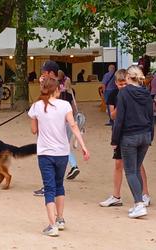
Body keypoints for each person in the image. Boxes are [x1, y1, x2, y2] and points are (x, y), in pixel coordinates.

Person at [28, 76, 89, 236]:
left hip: (45, 152)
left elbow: (34, 130)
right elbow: (73, 125)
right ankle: (60, 218)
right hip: (62, 152)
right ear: (57, 90)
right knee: (59, 185)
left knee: (49, 187)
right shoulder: (65, 105)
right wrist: (83, 146)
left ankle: (52, 224)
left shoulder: (36, 106)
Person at [100, 69, 151, 207]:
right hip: (127, 133)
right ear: (116, 83)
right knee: (120, 165)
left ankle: (143, 197)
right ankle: (117, 196)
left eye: (124, 83)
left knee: (135, 167)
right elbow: (113, 116)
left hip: (128, 135)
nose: (122, 86)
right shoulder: (116, 95)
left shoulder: (130, 94)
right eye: (120, 84)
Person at [33, 63, 81, 197]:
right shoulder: (62, 85)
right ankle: (70, 169)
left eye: (43, 73)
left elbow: (44, 102)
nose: (42, 75)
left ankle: (50, 186)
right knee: (62, 147)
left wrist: (41, 87)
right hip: (63, 122)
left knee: (52, 153)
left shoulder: (54, 86)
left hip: (56, 124)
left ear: (49, 73)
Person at [111, 65, 154, 218]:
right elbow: (150, 115)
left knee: (130, 171)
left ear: (128, 77)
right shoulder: (146, 93)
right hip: (145, 134)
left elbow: (119, 119)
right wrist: (151, 136)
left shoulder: (124, 93)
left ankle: (139, 204)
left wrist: (114, 140)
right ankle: (140, 200)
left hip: (129, 136)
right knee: (136, 169)